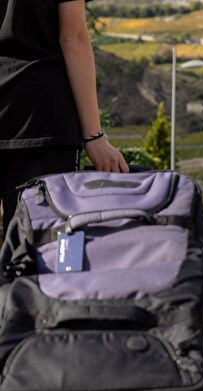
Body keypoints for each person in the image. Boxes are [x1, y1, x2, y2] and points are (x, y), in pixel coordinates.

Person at [0, 0, 128, 238]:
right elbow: (73, 38)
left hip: (39, 119)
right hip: (40, 119)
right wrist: (94, 136)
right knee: (42, 253)